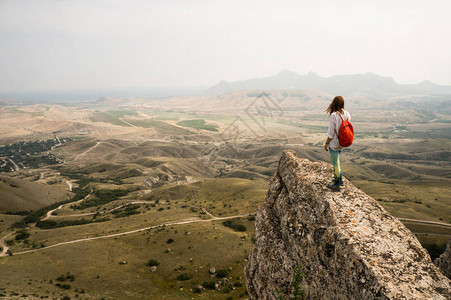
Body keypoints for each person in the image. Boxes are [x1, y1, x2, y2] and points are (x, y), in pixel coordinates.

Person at [324, 96, 351, 192]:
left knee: (336, 163)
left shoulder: (334, 115)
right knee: (337, 160)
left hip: (334, 143)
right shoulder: (347, 113)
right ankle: (339, 179)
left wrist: (327, 143)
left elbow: (331, 132)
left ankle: (337, 185)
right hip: (342, 142)